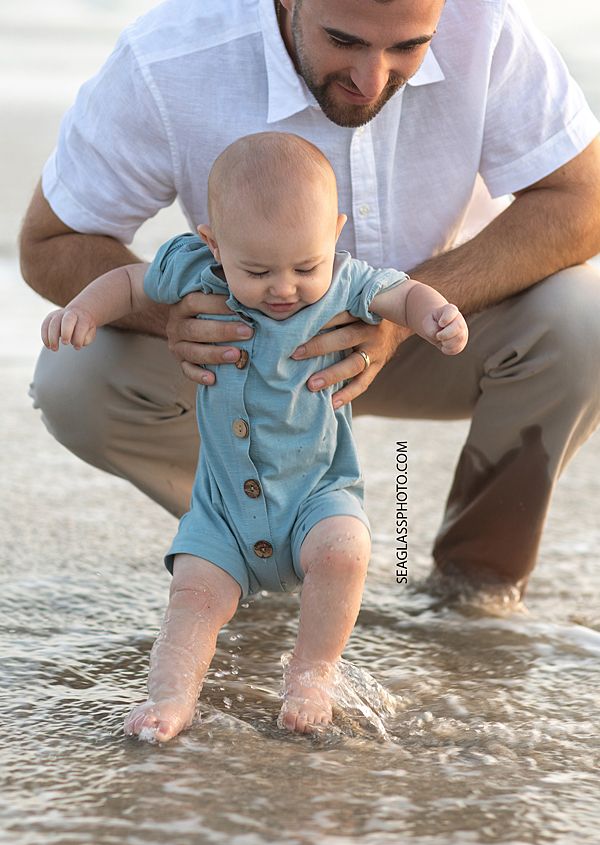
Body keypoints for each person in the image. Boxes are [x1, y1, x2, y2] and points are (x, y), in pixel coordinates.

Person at [20, 0, 600, 607]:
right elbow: (49, 242)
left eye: (408, 46)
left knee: (583, 317)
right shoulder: (167, 57)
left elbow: (582, 200)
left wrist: (400, 321)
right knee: (75, 375)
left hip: (432, 323)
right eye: (344, 40)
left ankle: (474, 588)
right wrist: (175, 316)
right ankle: (259, 541)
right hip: (241, 352)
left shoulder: (488, 25)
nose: (372, 80)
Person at [40, 133, 468, 740]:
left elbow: (402, 294)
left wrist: (434, 315)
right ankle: (168, 699)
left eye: (305, 266)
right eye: (258, 270)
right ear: (213, 244)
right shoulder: (191, 266)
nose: (284, 287)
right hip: (222, 514)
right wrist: (83, 310)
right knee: (192, 595)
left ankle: (313, 673)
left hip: (317, 496)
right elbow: (132, 284)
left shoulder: (347, 282)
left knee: (345, 553)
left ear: (336, 234)